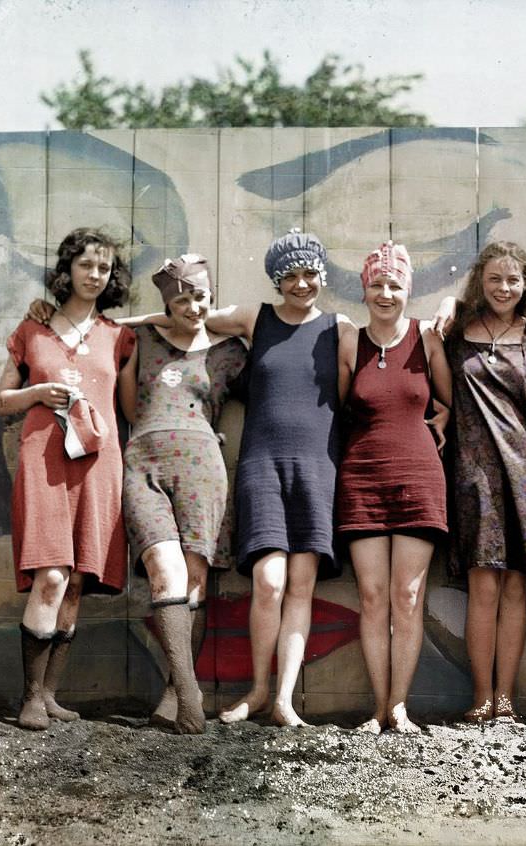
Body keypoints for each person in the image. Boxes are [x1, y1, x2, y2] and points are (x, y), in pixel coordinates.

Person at [179, 230, 354, 727]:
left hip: (318, 467)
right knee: (268, 581)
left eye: (309, 274)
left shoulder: (338, 327)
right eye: (290, 276)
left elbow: (363, 379)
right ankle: (257, 689)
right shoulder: (256, 318)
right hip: (261, 465)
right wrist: (105, 323)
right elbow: (184, 317)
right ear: (277, 280)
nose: (301, 284)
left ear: (321, 274)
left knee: (301, 584)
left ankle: (283, 699)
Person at [0, 227, 136, 730]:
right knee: (50, 575)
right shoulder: (32, 329)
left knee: (76, 582)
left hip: (99, 464)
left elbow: (131, 408)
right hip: (44, 462)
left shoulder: (120, 335)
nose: (95, 275)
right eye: (86, 266)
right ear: (67, 270)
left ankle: (51, 694)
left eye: (104, 268)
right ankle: (31, 697)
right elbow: (2, 401)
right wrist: (38, 393)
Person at [120, 255, 248, 734]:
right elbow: (125, 395)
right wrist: (152, 318)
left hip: (202, 469)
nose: (193, 307)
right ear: (164, 305)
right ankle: (192, 694)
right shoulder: (142, 340)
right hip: (145, 463)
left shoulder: (231, 351)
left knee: (193, 580)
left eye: (200, 297)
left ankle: (175, 694)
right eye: (180, 300)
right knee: (164, 574)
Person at [443, 241, 526, 723]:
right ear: (481, 280)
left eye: (513, 279)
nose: (504, 288)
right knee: (483, 589)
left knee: (516, 590)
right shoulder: (455, 332)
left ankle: (506, 700)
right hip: (473, 475)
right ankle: (480, 698)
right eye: (495, 278)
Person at [336, 242, 452, 734]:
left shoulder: (426, 337)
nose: (386, 293)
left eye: (395, 285)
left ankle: (399, 707)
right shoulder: (348, 341)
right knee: (372, 596)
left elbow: (449, 399)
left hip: (419, 480)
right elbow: (337, 409)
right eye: (378, 284)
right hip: (362, 479)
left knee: (406, 597)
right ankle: (376, 707)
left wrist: (444, 415)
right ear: (365, 290)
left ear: (409, 291)